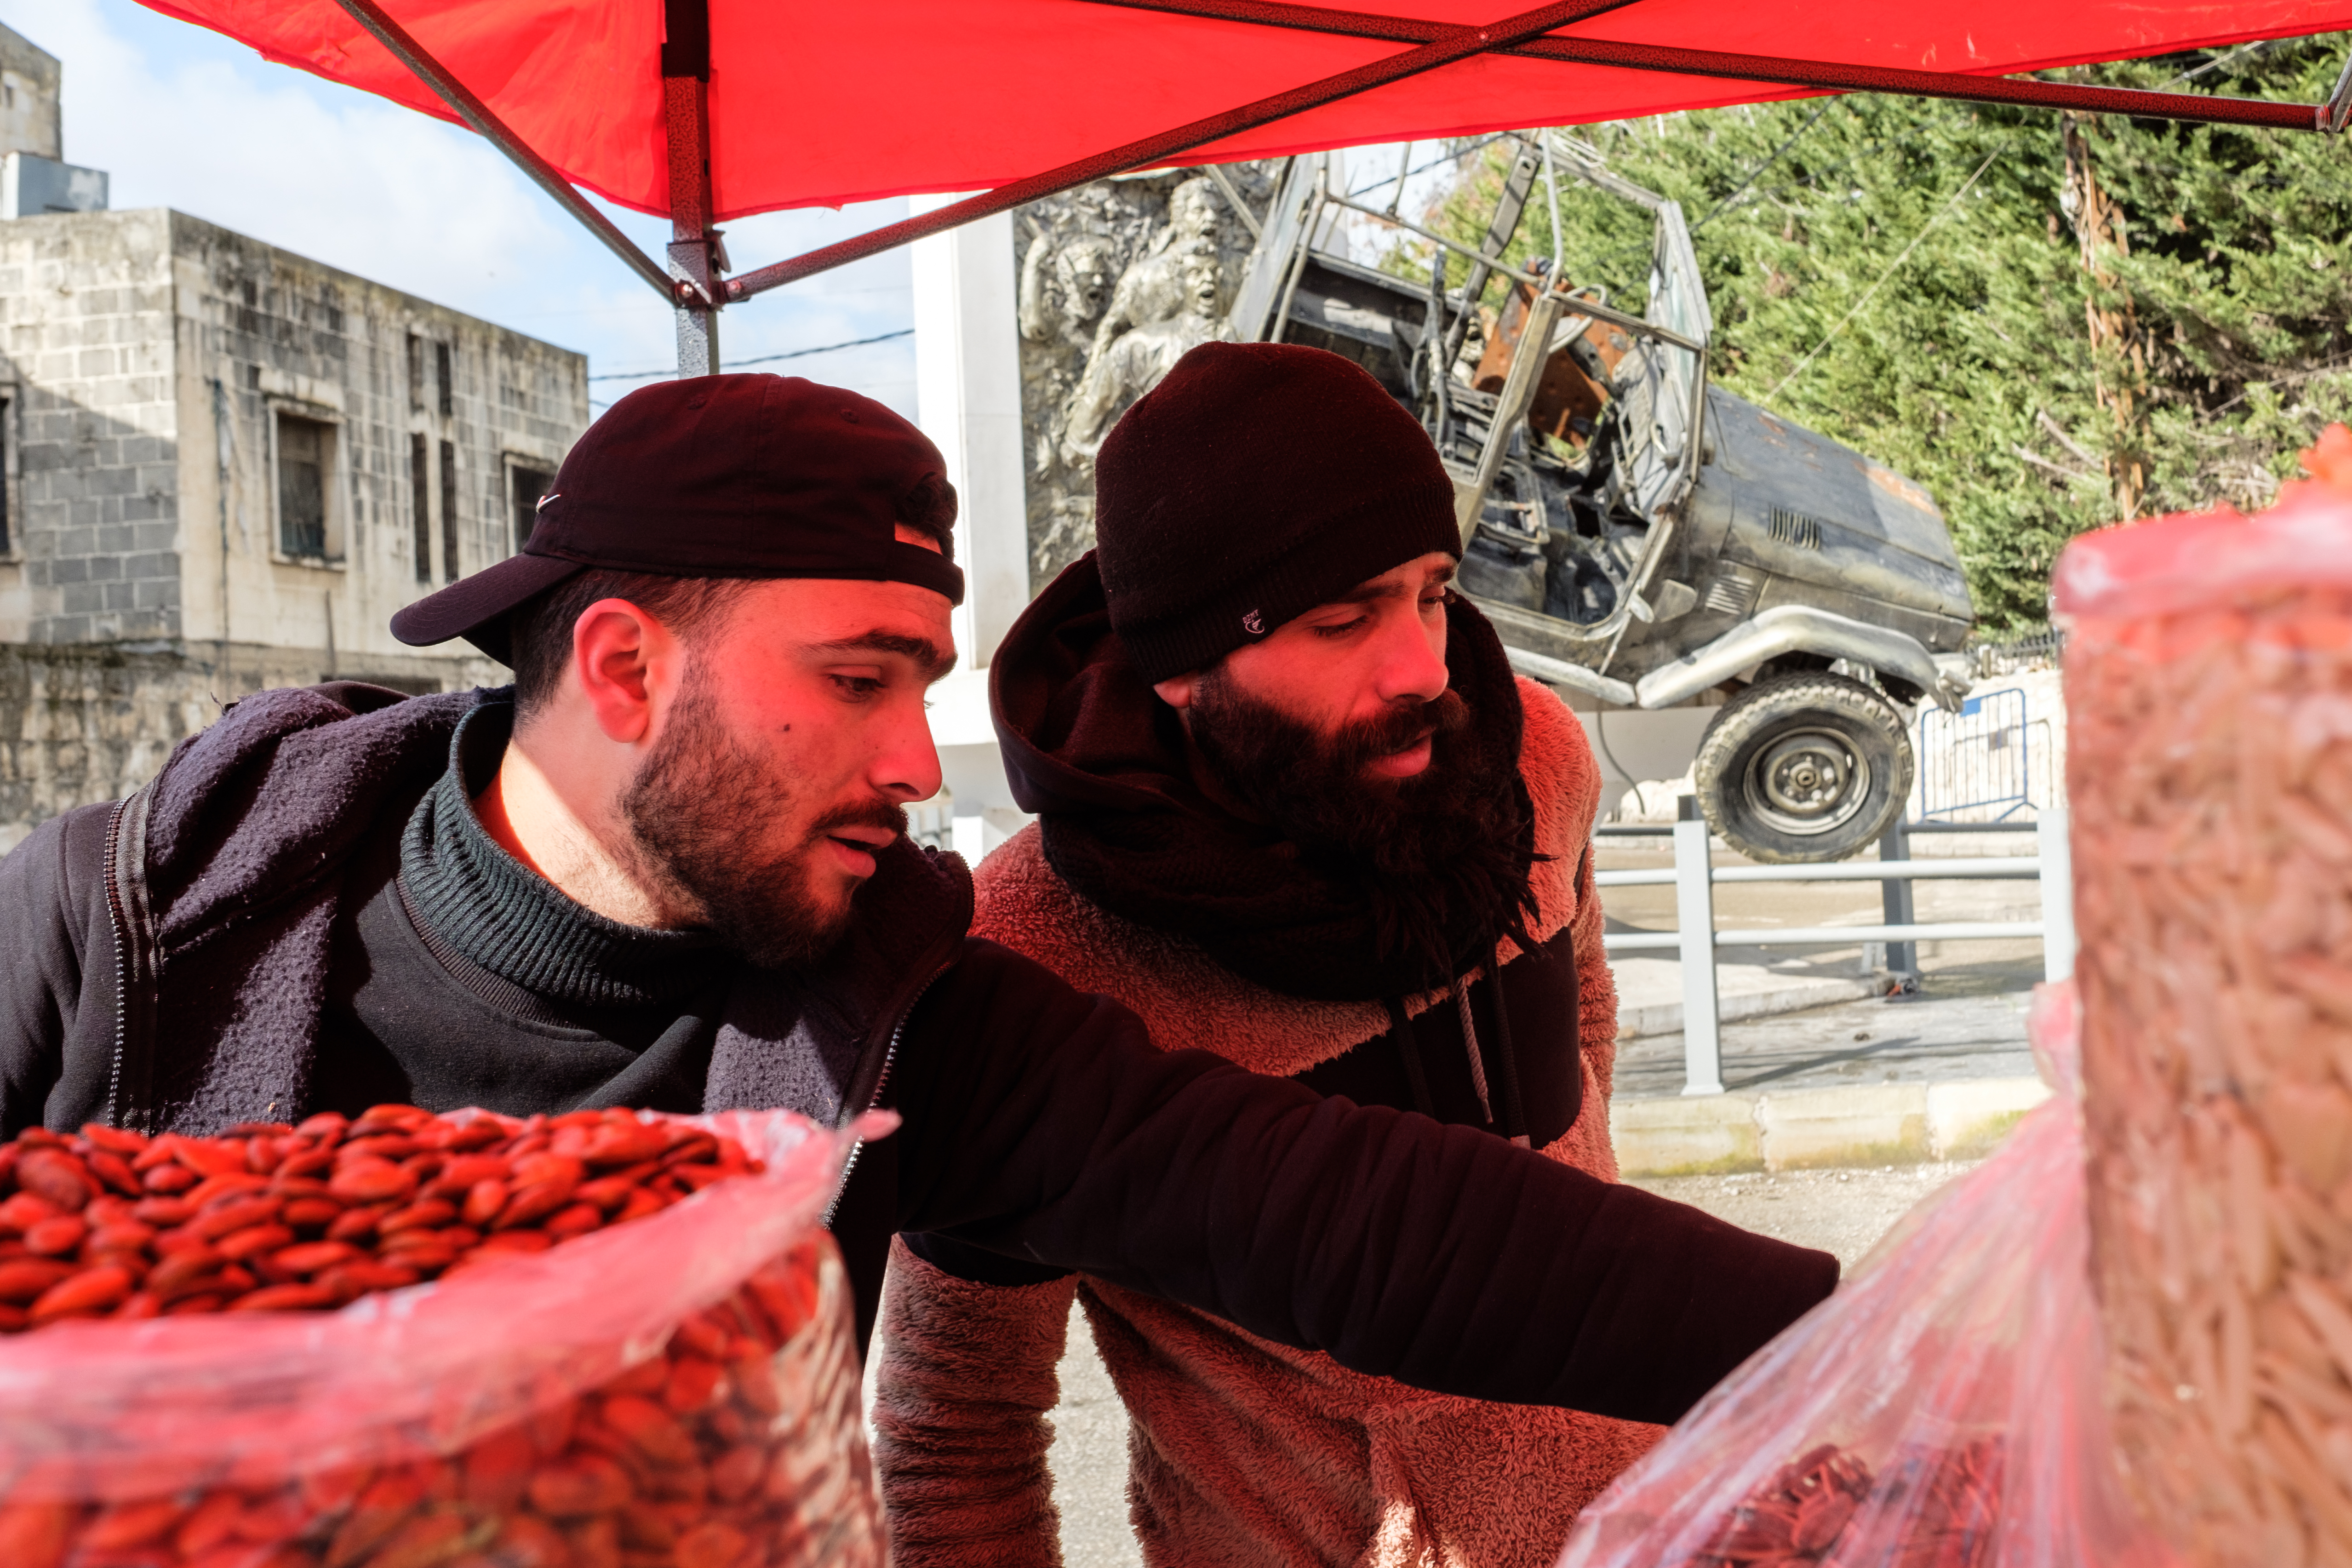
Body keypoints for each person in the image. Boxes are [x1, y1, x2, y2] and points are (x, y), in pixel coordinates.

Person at [0, 374, 1834, 1413]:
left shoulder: (895, 1013)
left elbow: (1360, 1221)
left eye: (924, 684)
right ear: (629, 674)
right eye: (860, 679)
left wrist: (1873, 1342)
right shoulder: (125, 925)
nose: (910, 762)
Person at [873, 343, 1668, 1567]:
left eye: (1430, 590)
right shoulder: (1025, 949)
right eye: (1341, 617)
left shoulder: (1529, 762)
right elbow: (954, 1422)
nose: (1423, 667)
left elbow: (1584, 1033)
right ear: (1182, 668)